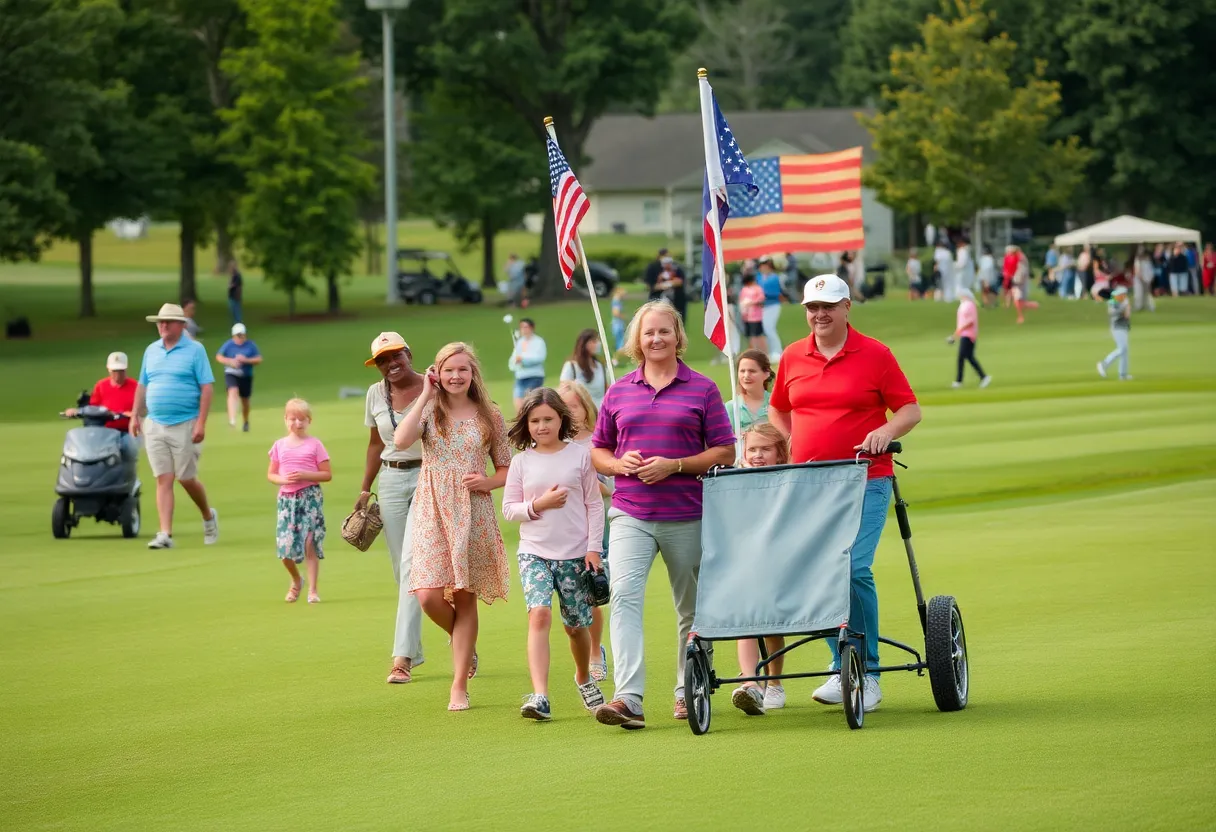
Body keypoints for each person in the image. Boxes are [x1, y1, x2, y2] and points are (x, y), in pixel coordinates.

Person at [768, 275, 922, 712]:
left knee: (853, 567)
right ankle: (841, 665)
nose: (820, 315)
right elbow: (779, 407)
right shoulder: (794, 355)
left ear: (847, 307)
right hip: (809, 481)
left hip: (867, 477)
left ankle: (868, 673)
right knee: (818, 571)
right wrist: (791, 440)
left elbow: (910, 409)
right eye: (812, 308)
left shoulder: (875, 354)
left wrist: (884, 430)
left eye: (828, 307)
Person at [589, 301, 736, 730]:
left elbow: (725, 451)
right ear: (637, 340)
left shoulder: (703, 388)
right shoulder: (618, 391)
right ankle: (628, 698)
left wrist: (674, 464)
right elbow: (598, 449)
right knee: (624, 599)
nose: (655, 339)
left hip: (687, 513)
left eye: (664, 332)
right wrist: (617, 465)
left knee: (691, 609)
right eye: (648, 333)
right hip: (631, 512)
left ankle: (687, 690)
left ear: (677, 338)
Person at [393, 342, 511, 712]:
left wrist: (487, 483)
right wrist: (426, 393)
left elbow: (507, 467)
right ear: (437, 374)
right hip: (431, 508)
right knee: (427, 594)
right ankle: (464, 641)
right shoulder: (429, 408)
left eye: (463, 369)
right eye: (448, 370)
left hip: (473, 511)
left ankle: (459, 684)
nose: (456, 376)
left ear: (473, 373)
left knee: (464, 597)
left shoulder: (489, 414)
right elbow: (400, 440)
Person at [502, 388, 606, 720]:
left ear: (561, 418)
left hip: (575, 554)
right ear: (526, 424)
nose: (542, 426)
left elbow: (594, 504)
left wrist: (594, 548)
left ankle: (584, 677)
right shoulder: (521, 462)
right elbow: (509, 510)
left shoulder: (579, 456)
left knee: (576, 627)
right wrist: (538, 505)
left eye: (548, 419)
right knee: (540, 614)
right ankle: (540, 696)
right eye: (534, 420)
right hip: (534, 552)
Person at [360, 332, 428, 684]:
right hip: (390, 479)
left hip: (428, 478)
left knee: (413, 564)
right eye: (383, 360)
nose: (391, 364)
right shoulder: (375, 394)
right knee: (403, 571)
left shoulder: (433, 387)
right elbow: (374, 444)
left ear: (408, 353)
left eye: (395, 356)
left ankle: (401, 657)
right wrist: (364, 487)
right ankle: (451, 639)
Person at [130, 303, 219, 550]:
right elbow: (142, 384)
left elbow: (207, 387)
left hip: (186, 423)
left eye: (168, 321)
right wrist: (135, 415)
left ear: (181, 325)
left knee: (186, 478)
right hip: (155, 423)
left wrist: (201, 422)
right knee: (163, 479)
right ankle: (165, 534)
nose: (163, 325)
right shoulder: (152, 351)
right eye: (160, 321)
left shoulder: (195, 350)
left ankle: (208, 516)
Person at [729, 422, 793, 716]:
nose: (757, 455)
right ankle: (752, 683)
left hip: (780, 563)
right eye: (752, 449)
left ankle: (775, 683)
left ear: (779, 454)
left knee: (771, 626)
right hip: (748, 564)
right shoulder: (737, 480)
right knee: (747, 621)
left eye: (765, 449)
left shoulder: (789, 479)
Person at [557, 380, 613, 683]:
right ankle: (585, 652)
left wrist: (580, 478)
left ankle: (595, 653)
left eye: (573, 406)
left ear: (585, 408)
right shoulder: (552, 446)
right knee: (571, 601)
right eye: (562, 407)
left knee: (591, 593)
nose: (568, 412)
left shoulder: (597, 443)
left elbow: (607, 489)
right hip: (561, 529)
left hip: (593, 528)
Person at [267, 399, 331, 604]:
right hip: (287, 499)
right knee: (284, 548)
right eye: (293, 418)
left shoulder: (315, 445)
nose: (297, 423)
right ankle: (296, 580)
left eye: (302, 419)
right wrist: (283, 480)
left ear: (309, 421)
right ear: (286, 420)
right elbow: (272, 474)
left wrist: (305, 474)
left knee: (309, 543)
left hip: (310, 497)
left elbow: (326, 474)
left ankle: (313, 590)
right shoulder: (279, 445)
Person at [64, 351, 137, 433]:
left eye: (121, 371)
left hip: (129, 430)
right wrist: (77, 411)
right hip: (105, 431)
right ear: (108, 369)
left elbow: (143, 410)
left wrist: (132, 414)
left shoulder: (136, 386)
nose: (118, 375)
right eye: (114, 371)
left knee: (128, 444)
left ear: (126, 369)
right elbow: (93, 409)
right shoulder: (101, 385)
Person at [215, 323, 262, 431]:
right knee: (233, 391)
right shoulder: (228, 345)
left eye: (242, 335)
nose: (240, 338)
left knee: (245, 401)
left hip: (246, 375)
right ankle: (232, 420)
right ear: (233, 336)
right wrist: (230, 361)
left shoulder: (250, 345)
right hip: (231, 372)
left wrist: (246, 360)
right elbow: (219, 356)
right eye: (238, 335)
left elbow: (259, 359)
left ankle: (246, 421)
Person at [948, 288, 992, 389]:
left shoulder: (969, 305)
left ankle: (960, 381)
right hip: (964, 334)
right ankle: (983, 377)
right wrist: (957, 333)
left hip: (968, 334)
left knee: (963, 357)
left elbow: (970, 321)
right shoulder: (963, 305)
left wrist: (957, 333)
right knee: (968, 357)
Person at [723, 349, 772, 435]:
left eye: (752, 371)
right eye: (742, 371)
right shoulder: (731, 407)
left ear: (766, 373)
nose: (746, 376)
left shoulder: (775, 403)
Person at [558, 328, 607, 407]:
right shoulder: (572, 366)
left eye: (598, 341)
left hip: (602, 411)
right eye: (594, 341)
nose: (598, 344)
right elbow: (563, 390)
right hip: (584, 412)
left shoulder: (600, 365)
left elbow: (606, 389)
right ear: (584, 344)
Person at [508, 317, 547, 413]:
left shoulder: (539, 342)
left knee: (530, 401)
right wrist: (515, 362)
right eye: (522, 327)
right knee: (518, 402)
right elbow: (513, 360)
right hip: (521, 377)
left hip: (534, 376)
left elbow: (539, 358)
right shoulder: (519, 343)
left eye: (526, 327)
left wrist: (523, 360)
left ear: (532, 328)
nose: (524, 330)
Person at [1097, 285, 1132, 381]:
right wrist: (1124, 308)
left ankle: (1123, 374)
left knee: (1125, 351)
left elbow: (1127, 315)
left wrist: (1126, 307)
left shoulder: (1124, 301)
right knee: (1122, 349)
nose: (1124, 295)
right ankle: (1104, 363)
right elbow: (1113, 313)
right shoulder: (1114, 302)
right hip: (1117, 328)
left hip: (1124, 327)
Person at [757, 256, 785, 360]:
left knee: (769, 328)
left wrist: (762, 295)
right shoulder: (759, 277)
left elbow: (776, 292)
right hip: (762, 307)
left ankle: (777, 351)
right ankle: (772, 351)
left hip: (773, 305)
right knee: (765, 329)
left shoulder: (774, 277)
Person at [737, 273, 768, 353]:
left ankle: (761, 351)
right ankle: (754, 351)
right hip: (746, 316)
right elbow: (741, 300)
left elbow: (761, 299)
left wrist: (751, 302)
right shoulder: (744, 289)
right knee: (750, 336)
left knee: (757, 335)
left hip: (755, 317)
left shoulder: (757, 289)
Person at [1133, 246, 1157, 313]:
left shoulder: (1148, 261)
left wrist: (1150, 278)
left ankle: (1150, 306)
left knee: (1148, 294)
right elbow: (1137, 271)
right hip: (1139, 280)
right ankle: (1139, 306)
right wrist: (1142, 279)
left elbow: (1150, 270)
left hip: (1147, 280)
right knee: (1139, 294)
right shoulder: (1137, 260)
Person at [610, 287, 627, 367]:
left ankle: (615, 360)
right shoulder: (616, 301)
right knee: (621, 345)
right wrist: (623, 317)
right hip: (618, 325)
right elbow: (615, 313)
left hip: (618, 324)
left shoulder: (617, 301)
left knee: (621, 344)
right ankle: (614, 360)